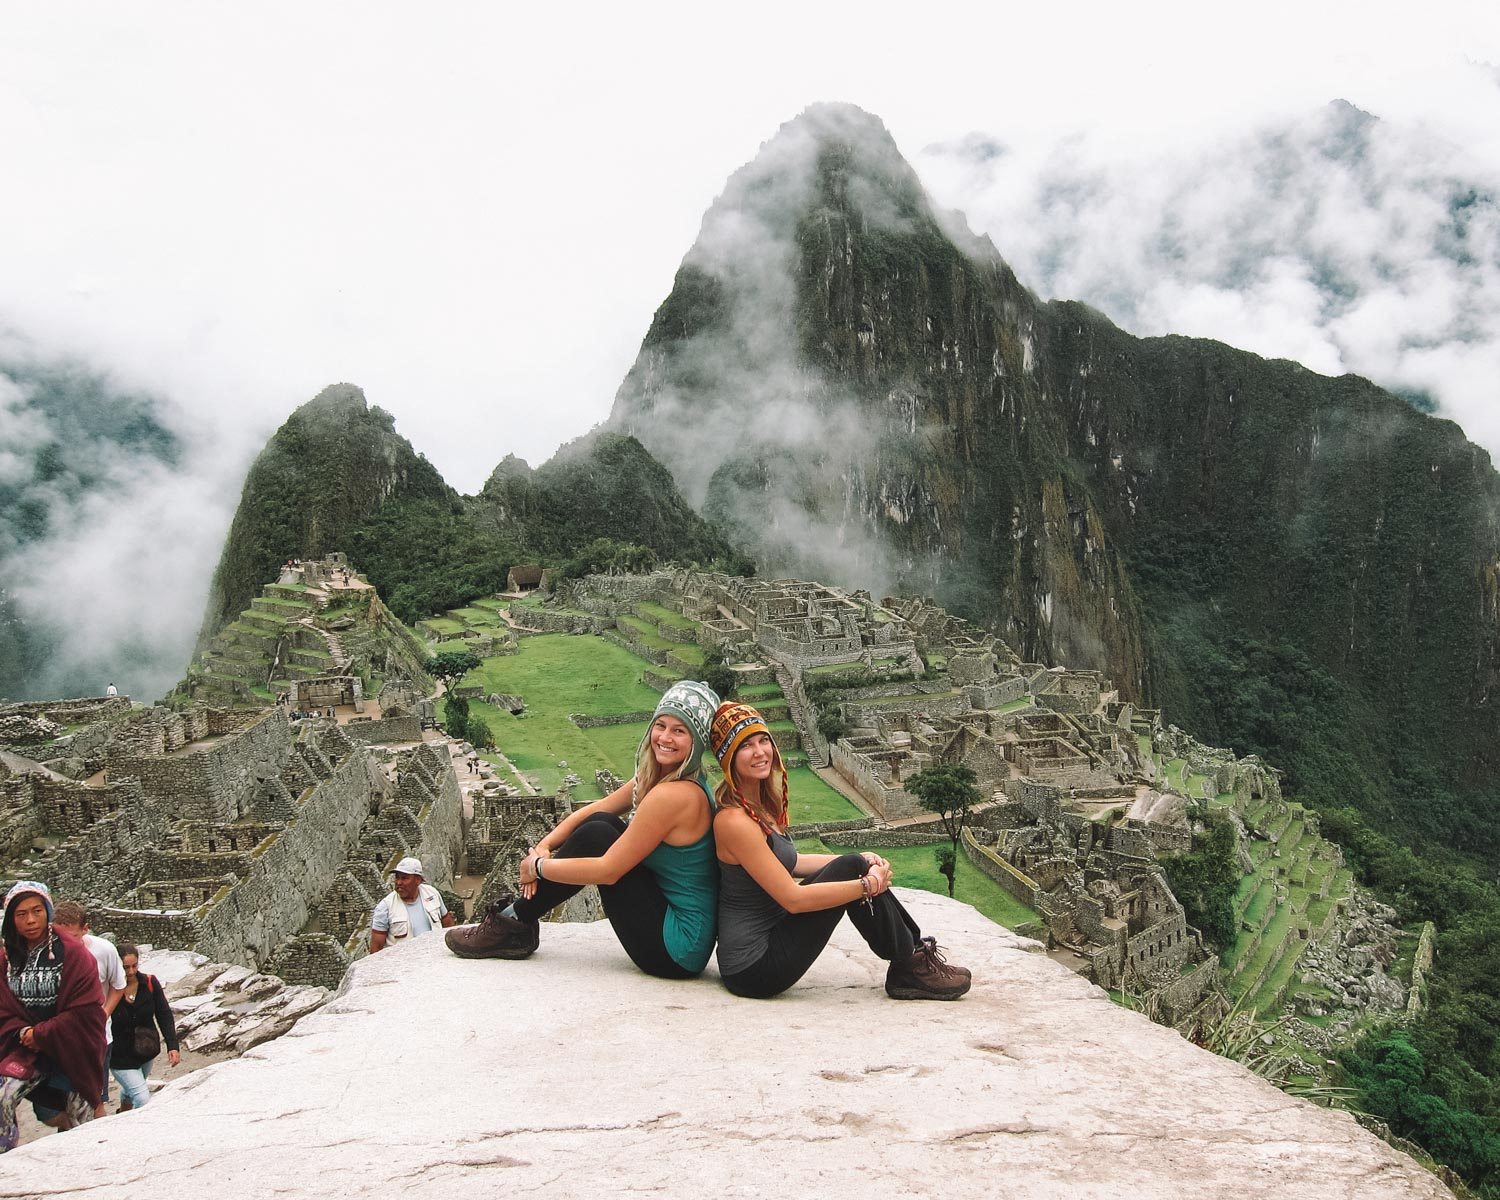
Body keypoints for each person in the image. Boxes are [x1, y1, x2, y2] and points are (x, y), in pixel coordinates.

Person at [446, 680, 720, 979]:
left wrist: (537, 867)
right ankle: (515, 919)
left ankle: (514, 921)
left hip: (676, 948)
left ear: (696, 741)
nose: (665, 737)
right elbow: (597, 808)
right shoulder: (660, 778)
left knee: (600, 835)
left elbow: (609, 870)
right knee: (600, 823)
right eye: (661, 725)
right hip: (672, 922)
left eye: (679, 731)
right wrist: (545, 845)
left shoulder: (676, 795)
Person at [710, 702, 972, 1001]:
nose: (760, 752)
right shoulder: (734, 821)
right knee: (852, 868)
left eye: (763, 740)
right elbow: (793, 900)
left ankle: (911, 956)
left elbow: (793, 862)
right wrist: (867, 884)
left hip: (773, 937)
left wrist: (864, 860)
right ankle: (909, 964)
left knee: (854, 863)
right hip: (754, 968)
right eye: (746, 746)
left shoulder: (759, 806)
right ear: (728, 758)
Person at [0, 882, 106, 1142]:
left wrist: (43, 1033)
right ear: (11, 919)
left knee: (84, 1121)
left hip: (72, 1048)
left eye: (37, 910)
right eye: (21, 914)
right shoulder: (7, 958)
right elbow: (3, 1005)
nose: (31, 920)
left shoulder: (74, 954)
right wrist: (24, 1031)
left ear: (47, 911)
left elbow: (86, 1010)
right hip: (26, 1047)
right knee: (3, 1097)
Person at [51, 902, 125, 1108]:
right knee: (59, 1103)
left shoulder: (104, 950)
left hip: (97, 1037)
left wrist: (103, 1015)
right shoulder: (46, 954)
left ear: (85, 929)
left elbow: (118, 986)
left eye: (72, 936)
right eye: (59, 936)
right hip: (59, 1038)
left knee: (95, 1100)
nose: (64, 942)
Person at [107, 945, 179, 1111]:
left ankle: (123, 1113)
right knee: (142, 1097)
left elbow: (164, 1014)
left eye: (134, 966)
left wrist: (172, 1045)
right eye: (125, 967)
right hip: (119, 1056)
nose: (131, 972)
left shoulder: (149, 983)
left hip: (146, 1049)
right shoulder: (108, 988)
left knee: (131, 1088)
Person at [369, 858, 457, 953]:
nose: (398, 882)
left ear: (418, 880)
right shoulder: (385, 907)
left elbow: (447, 923)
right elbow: (376, 947)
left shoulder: (432, 894)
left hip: (435, 957)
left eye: (404, 878)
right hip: (404, 964)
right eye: (397, 877)